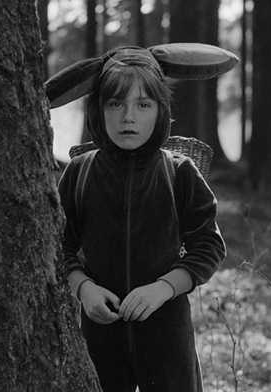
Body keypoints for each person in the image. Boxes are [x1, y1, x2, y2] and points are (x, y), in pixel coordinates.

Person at [56, 46, 230, 392]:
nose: (128, 118)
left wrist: (162, 289)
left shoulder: (179, 172)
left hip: (167, 331)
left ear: (160, 111)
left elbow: (208, 245)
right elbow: (57, 244)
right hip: (98, 331)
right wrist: (83, 288)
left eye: (143, 104)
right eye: (115, 104)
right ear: (98, 110)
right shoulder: (79, 172)